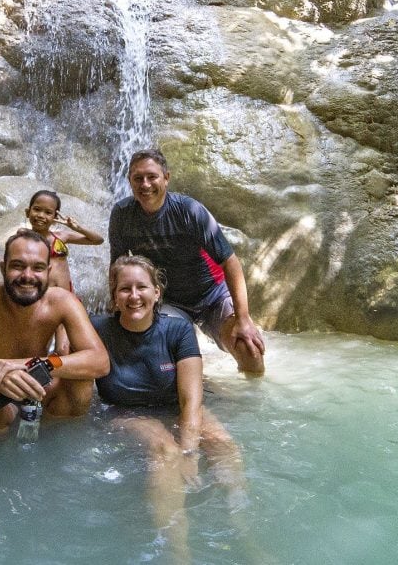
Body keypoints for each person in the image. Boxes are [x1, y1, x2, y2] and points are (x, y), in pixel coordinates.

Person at [94, 255, 245, 563]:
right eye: (125, 289)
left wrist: (191, 452)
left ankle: (244, 531)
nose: (134, 296)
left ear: (157, 292)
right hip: (124, 413)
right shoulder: (97, 329)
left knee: (222, 443)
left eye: (142, 287)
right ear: (114, 295)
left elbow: (191, 401)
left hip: (174, 406)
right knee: (165, 450)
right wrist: (181, 454)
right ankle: (180, 553)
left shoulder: (178, 330)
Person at [108, 149, 265, 375]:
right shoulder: (122, 214)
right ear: (130, 182)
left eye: (152, 177)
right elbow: (118, 265)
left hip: (212, 296)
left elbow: (230, 262)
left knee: (250, 352)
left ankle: (253, 404)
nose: (145, 184)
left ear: (166, 178)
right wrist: (115, 304)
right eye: (138, 178)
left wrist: (243, 318)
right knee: (163, 365)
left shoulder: (188, 210)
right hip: (167, 301)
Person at [0, 229, 109, 435]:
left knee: (81, 381)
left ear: (48, 271)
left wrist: (25, 366)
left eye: (38, 268)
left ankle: (57, 447)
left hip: (41, 391)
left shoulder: (63, 300)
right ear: (3, 268)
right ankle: (1, 458)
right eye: (18, 266)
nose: (27, 276)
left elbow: (100, 362)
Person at [24, 189, 104, 353]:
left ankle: (59, 377)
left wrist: (76, 227)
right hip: (39, 300)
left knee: (63, 348)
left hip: (65, 299)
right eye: (37, 209)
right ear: (28, 211)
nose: (41, 215)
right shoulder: (23, 237)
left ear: (55, 218)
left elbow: (97, 240)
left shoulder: (62, 236)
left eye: (48, 212)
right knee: (38, 348)